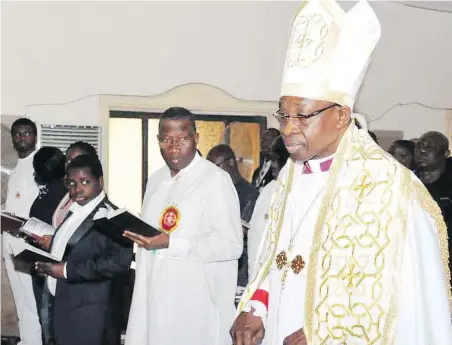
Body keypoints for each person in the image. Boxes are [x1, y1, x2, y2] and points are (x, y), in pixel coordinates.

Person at [231, 1, 452, 345]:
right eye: (283, 115)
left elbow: (409, 302)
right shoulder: (290, 176)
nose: (288, 129)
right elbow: (279, 255)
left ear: (341, 116)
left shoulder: (390, 188)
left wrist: (328, 334)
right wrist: (257, 306)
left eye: (303, 116)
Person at [124, 107, 243, 345]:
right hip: (154, 300)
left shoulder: (215, 180)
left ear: (196, 138)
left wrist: (173, 243)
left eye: (182, 139)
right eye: (167, 140)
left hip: (194, 309)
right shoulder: (157, 179)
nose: (174, 147)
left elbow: (231, 245)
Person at [35, 154, 133, 345]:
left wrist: (65, 270)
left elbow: (118, 263)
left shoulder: (113, 217)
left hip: (91, 317)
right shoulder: (76, 212)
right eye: (71, 183)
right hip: (64, 308)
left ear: (100, 182)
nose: (76, 189)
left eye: (84, 182)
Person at [2, 118, 42, 345]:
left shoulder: (40, 166)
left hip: (28, 244)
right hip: (9, 242)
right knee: (20, 299)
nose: (21, 138)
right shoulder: (16, 169)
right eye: (17, 134)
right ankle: (26, 340)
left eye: (26, 134)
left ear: (34, 137)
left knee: (31, 301)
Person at [28, 146, 67, 345]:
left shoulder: (65, 193)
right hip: (41, 263)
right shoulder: (50, 190)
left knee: (51, 324)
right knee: (46, 324)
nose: (34, 173)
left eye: (37, 169)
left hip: (53, 267)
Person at [207, 144, 259, 288]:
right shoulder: (214, 192)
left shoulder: (250, 195)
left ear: (230, 163)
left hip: (239, 271)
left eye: (216, 167)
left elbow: (240, 231)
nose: (212, 173)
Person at [248, 136, 289, 280]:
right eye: (272, 159)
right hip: (258, 272)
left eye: (278, 160)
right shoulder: (268, 190)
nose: (273, 165)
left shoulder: (301, 192)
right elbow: (255, 236)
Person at [414, 131, 452, 277]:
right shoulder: (408, 182)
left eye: (430, 148)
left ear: (445, 153)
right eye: (419, 147)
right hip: (416, 259)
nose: (422, 151)